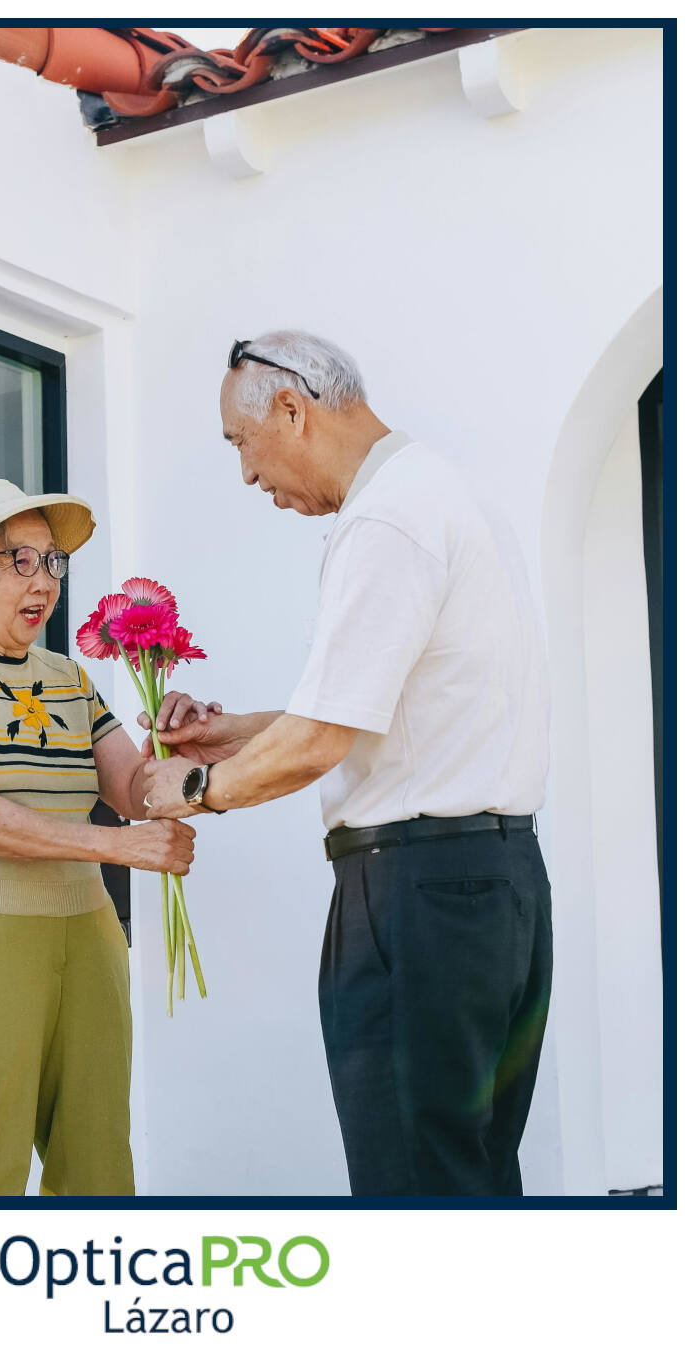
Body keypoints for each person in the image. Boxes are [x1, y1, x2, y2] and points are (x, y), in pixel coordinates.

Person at [140, 331, 552, 1197]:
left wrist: (193, 791)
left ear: (292, 409)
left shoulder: (386, 521)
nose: (248, 477)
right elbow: (386, 711)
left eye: (240, 445)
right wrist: (240, 733)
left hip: (418, 897)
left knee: (411, 1190)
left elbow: (325, 738)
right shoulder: (445, 491)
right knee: (471, 1177)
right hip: (496, 884)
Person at [0, 477, 208, 1197]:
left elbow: (131, 789)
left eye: (52, 561)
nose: (45, 580)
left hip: (84, 935)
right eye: (19, 560)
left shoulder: (67, 676)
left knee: (97, 1166)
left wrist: (186, 748)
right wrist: (119, 849)